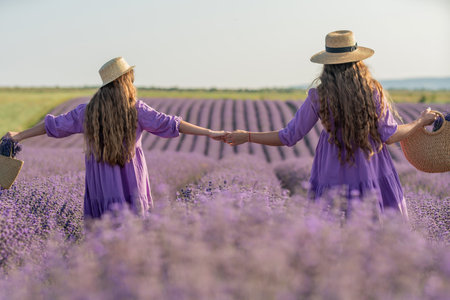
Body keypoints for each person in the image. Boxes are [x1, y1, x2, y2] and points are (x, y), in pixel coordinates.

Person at [225, 30, 438, 218]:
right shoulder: (372, 91)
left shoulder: (319, 96)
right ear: (358, 61)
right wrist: (420, 121)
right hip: (371, 169)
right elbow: (389, 135)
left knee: (333, 234)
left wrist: (248, 136)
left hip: (331, 171)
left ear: (327, 64)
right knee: (376, 234)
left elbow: (288, 136)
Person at [2, 57, 226, 221]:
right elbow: (171, 123)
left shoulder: (87, 111)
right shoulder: (136, 109)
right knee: (134, 232)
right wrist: (209, 132)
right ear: (125, 80)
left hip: (101, 184)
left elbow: (53, 125)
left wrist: (20, 135)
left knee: (104, 232)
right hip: (132, 181)